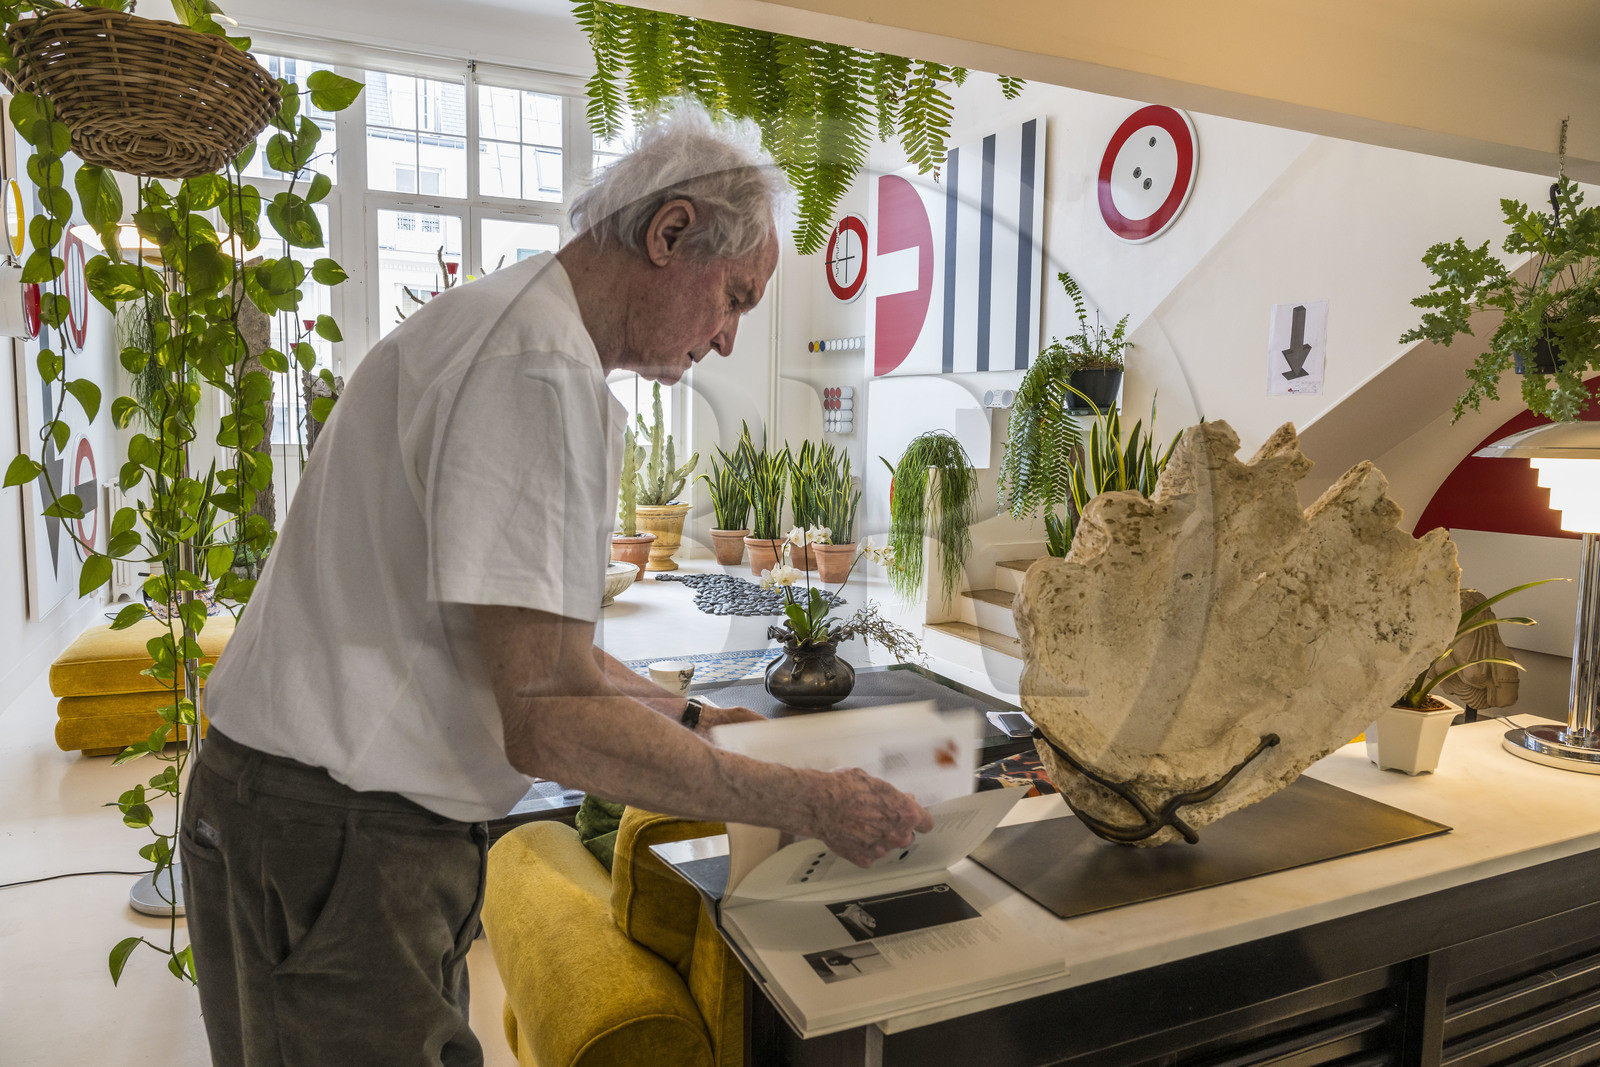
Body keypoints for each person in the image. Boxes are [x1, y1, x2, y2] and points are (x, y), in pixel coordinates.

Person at [180, 104, 932, 1066]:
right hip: (336, 832)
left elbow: (555, 658)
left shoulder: (515, 328)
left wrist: (690, 718)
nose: (732, 337)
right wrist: (804, 800)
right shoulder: (535, 369)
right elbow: (544, 718)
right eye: (736, 295)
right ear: (670, 234)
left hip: (328, 821)